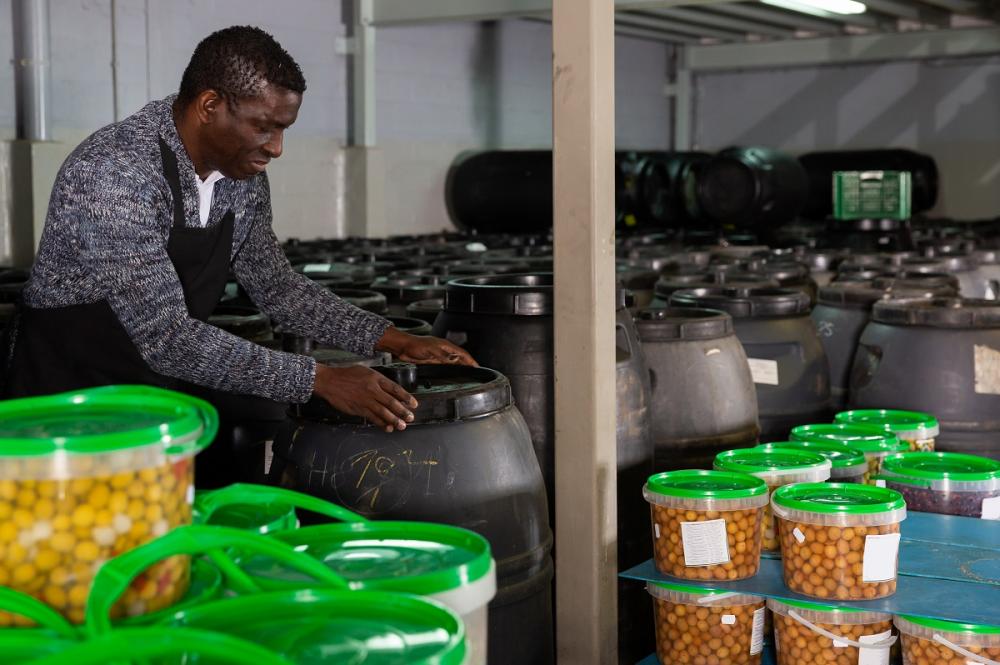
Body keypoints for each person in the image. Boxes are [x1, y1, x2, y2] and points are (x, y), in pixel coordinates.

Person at [3, 26, 475, 445]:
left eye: (285, 129)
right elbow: (167, 336)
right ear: (210, 105)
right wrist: (321, 379)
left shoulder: (241, 177)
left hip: (156, 394)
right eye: (264, 127)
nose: (277, 148)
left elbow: (276, 287)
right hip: (66, 409)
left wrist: (390, 339)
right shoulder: (116, 171)